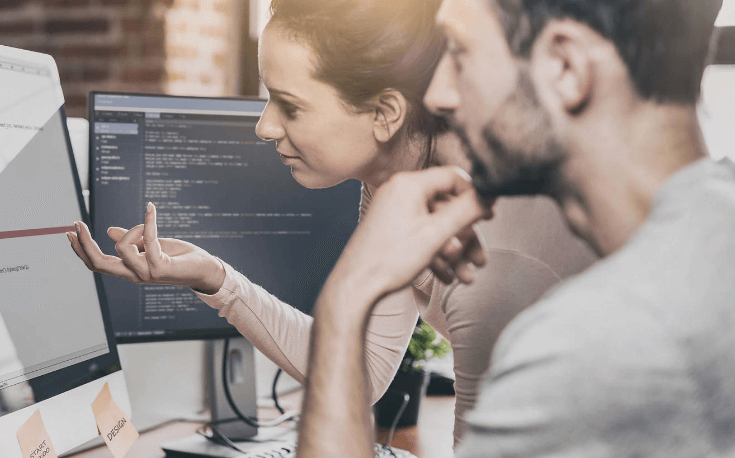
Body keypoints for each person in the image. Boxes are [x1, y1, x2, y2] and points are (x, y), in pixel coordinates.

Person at [67, 0, 595, 445]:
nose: (263, 125)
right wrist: (216, 280)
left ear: (385, 114)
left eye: (290, 105)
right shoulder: (395, 181)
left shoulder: (489, 251)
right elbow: (363, 370)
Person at [295, 0, 735, 457]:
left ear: (565, 66)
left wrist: (346, 298)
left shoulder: (598, 344)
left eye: (460, 53)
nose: (438, 94)